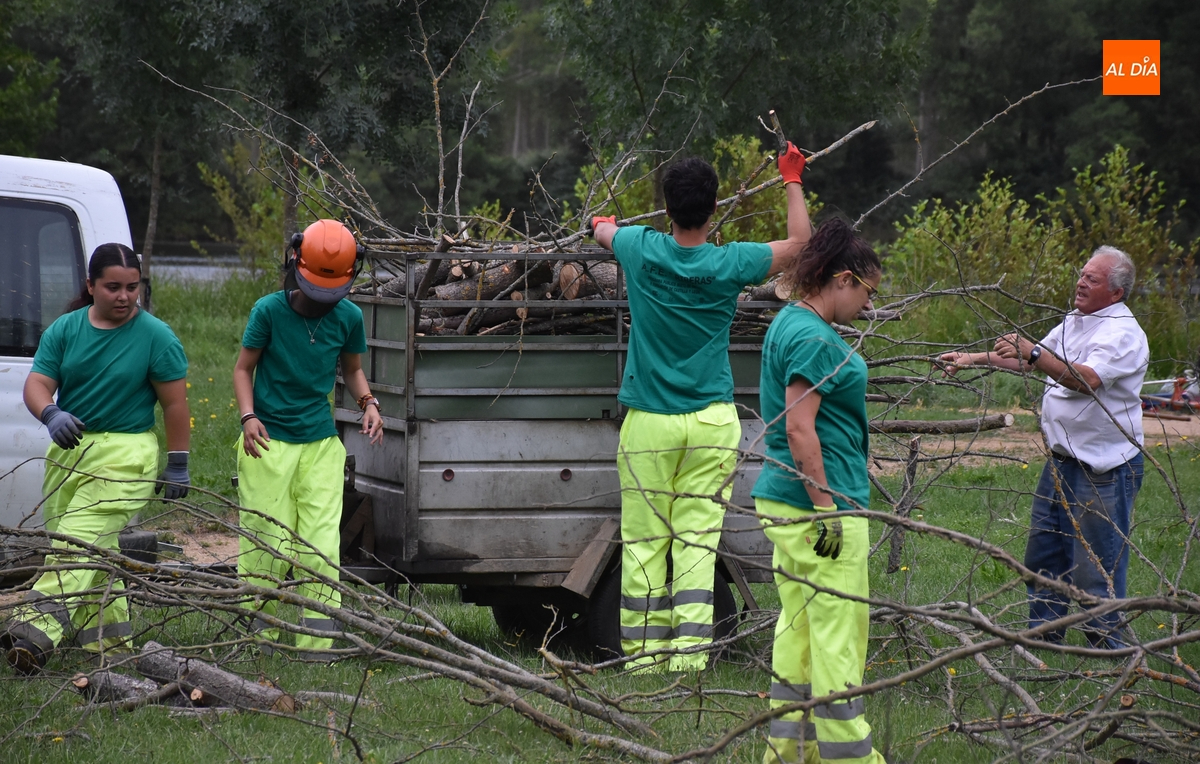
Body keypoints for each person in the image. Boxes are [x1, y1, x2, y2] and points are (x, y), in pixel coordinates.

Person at [590, 144, 811, 672]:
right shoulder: (731, 262)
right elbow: (803, 245)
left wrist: (603, 221)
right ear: (714, 212)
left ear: (666, 210)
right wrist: (791, 178)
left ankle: (643, 660)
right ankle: (689, 660)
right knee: (696, 540)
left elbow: (601, 229)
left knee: (644, 541)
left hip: (649, 421)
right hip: (712, 421)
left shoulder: (640, 248)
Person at [940, 246, 1148, 649]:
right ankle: (1043, 638)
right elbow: (1032, 361)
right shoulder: (1076, 320)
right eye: (1081, 273)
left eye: (1092, 278)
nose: (1081, 282)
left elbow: (1084, 379)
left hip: (1103, 468)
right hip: (1061, 461)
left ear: (1116, 292)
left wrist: (1034, 351)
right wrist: (971, 358)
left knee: (1096, 565)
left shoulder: (1123, 333)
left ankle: (1107, 646)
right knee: (1044, 553)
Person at [2, 243, 190, 674]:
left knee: (78, 538)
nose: (124, 296)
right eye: (113, 287)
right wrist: (50, 413)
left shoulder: (157, 337)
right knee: (97, 550)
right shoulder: (66, 330)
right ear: (90, 286)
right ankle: (110, 646)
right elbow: (37, 385)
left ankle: (33, 632)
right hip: (70, 450)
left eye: (132, 287)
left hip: (127, 452)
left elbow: (176, 406)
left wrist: (178, 460)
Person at [752, 218, 885, 764]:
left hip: (786, 500)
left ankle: (788, 754)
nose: (869, 307)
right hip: (819, 507)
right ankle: (850, 759)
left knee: (800, 630)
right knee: (838, 635)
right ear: (843, 279)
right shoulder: (812, 337)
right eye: (868, 293)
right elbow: (799, 428)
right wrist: (828, 510)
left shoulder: (789, 321)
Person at [233, 219, 383, 659]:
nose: (322, 302)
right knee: (265, 545)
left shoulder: (349, 317)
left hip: (320, 445)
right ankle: (253, 641)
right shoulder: (268, 310)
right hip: (267, 443)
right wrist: (248, 416)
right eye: (315, 290)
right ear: (295, 266)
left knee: (320, 546)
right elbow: (244, 368)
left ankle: (318, 645)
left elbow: (352, 369)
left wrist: (369, 403)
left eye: (331, 294)